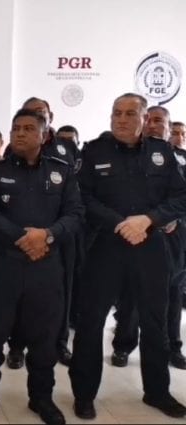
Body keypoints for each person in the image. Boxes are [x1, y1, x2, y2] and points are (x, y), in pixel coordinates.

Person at [69, 93, 186, 420]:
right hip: (106, 246)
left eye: (130, 114)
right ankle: (84, 394)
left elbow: (180, 196)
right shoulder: (94, 151)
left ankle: (157, 392)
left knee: (154, 323)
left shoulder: (163, 153)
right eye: (116, 113)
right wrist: (120, 224)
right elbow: (82, 197)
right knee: (91, 322)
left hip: (150, 246)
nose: (121, 119)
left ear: (145, 119)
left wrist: (148, 219)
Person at [0, 108, 84, 425]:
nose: (20, 133)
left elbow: (75, 214)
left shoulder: (62, 171)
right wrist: (24, 238)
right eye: (16, 128)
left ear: (44, 135)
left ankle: (41, 398)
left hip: (45, 268)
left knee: (44, 340)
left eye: (29, 128)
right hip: (1, 267)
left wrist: (47, 235)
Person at [111, 105, 186, 370]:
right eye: (149, 120)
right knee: (132, 293)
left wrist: (175, 219)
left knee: (173, 295)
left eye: (159, 121)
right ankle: (123, 345)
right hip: (138, 234)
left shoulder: (181, 159)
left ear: (169, 127)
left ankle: (173, 347)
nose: (153, 125)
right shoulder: (130, 155)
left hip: (174, 238)